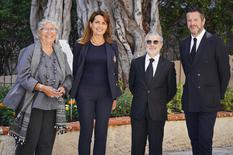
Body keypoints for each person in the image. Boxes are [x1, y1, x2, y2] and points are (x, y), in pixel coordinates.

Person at [3, 19, 72, 155]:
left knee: (46, 146)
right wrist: (42, 87)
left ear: (56, 33)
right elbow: (23, 76)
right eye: (45, 29)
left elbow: (69, 77)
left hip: (52, 106)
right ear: (39, 32)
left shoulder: (61, 54)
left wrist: (63, 87)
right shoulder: (29, 51)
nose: (49, 32)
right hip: (32, 104)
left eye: (52, 29)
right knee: (28, 144)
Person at [179, 6, 230, 155]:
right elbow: (189, 72)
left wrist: (216, 95)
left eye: (195, 20)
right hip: (190, 100)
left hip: (208, 101)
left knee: (205, 140)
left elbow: (225, 72)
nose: (192, 23)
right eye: (189, 20)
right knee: (194, 139)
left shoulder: (215, 42)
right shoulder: (183, 44)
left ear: (203, 21)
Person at [70, 10, 121, 155]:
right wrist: (75, 93)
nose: (100, 26)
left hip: (105, 94)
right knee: (86, 131)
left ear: (107, 26)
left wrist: (114, 96)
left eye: (104, 23)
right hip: (84, 94)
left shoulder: (112, 45)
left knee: (101, 132)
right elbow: (76, 71)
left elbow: (114, 72)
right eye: (97, 22)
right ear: (91, 24)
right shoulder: (80, 45)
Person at [129, 31, 177, 155]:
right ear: (145, 44)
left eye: (155, 41)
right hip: (138, 111)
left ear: (161, 44)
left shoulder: (168, 66)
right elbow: (132, 86)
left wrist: (158, 101)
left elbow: (172, 90)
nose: (152, 44)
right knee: (136, 148)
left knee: (156, 148)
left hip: (157, 112)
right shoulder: (136, 63)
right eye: (149, 41)